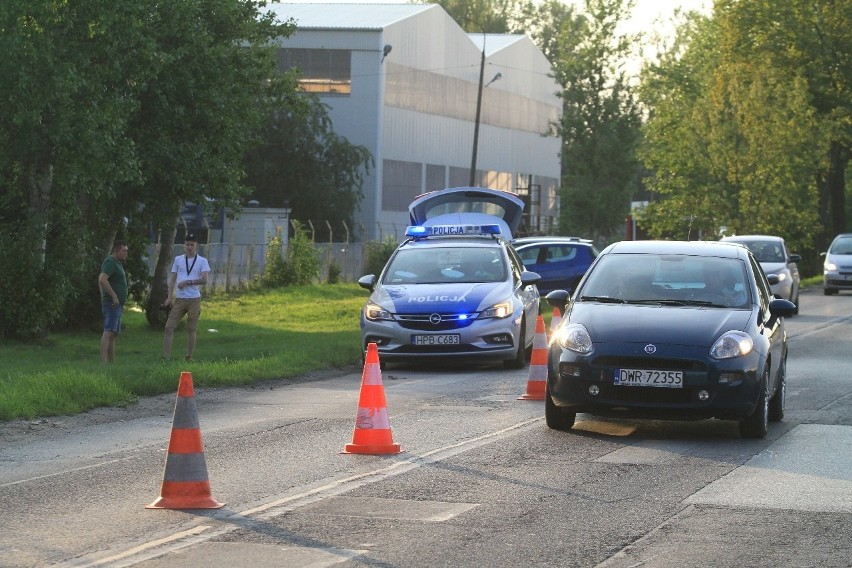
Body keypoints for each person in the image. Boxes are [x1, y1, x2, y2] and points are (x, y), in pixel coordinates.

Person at [162, 233, 211, 361]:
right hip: (180, 298)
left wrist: (188, 282)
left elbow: (204, 280)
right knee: (169, 327)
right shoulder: (178, 259)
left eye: (192, 244)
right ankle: (166, 357)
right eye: (187, 244)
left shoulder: (202, 261)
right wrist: (169, 297)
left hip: (194, 298)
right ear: (184, 245)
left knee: (191, 328)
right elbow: (172, 279)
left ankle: (189, 356)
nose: (189, 247)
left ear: (197, 245)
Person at [98, 240, 129, 364]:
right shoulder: (110, 262)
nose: (126, 253)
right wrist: (113, 296)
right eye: (124, 250)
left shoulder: (118, 263)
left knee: (113, 334)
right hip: (112, 303)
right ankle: (103, 363)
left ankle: (112, 363)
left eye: (127, 250)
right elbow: (102, 279)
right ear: (116, 250)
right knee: (108, 331)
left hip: (118, 304)